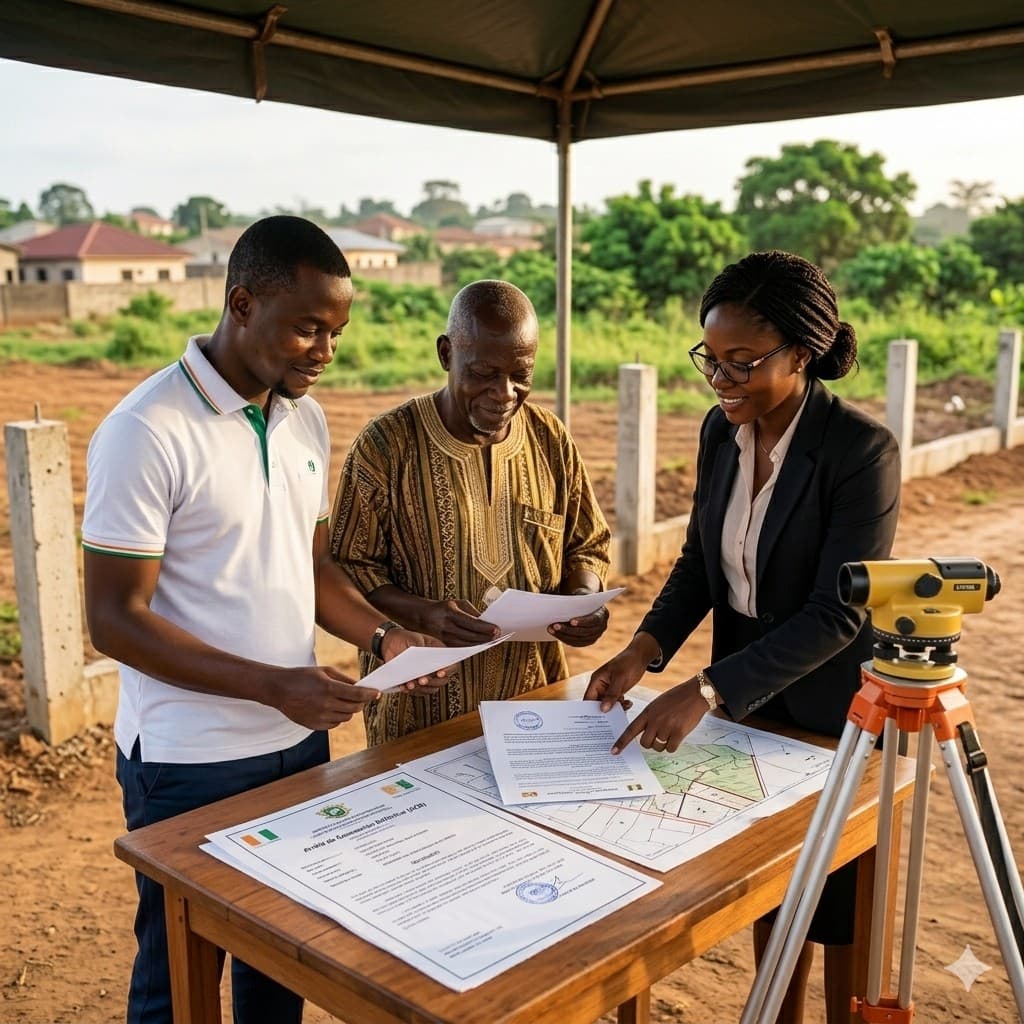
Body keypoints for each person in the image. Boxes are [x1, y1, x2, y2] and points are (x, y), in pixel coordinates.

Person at [82, 216, 437, 1024]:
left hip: (299, 744)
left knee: (280, 960)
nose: (325, 351)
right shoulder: (146, 430)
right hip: (189, 761)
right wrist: (273, 685)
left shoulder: (302, 419)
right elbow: (114, 621)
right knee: (178, 977)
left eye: (337, 332)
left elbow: (310, 569)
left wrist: (381, 636)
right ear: (242, 304)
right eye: (308, 328)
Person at [584, 250, 901, 1023]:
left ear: (802, 354)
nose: (720, 381)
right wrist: (642, 650)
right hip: (753, 715)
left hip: (837, 718)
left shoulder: (861, 453)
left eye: (742, 364)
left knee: (837, 912)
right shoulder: (720, 431)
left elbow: (839, 611)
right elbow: (700, 564)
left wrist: (706, 687)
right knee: (776, 902)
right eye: (711, 361)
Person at [330, 279, 612, 745]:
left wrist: (584, 602)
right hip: (417, 717)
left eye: (521, 374)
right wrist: (424, 614)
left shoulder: (549, 437)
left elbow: (587, 545)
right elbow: (347, 568)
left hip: (533, 709)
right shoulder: (386, 446)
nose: (504, 392)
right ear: (446, 354)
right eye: (483, 372)